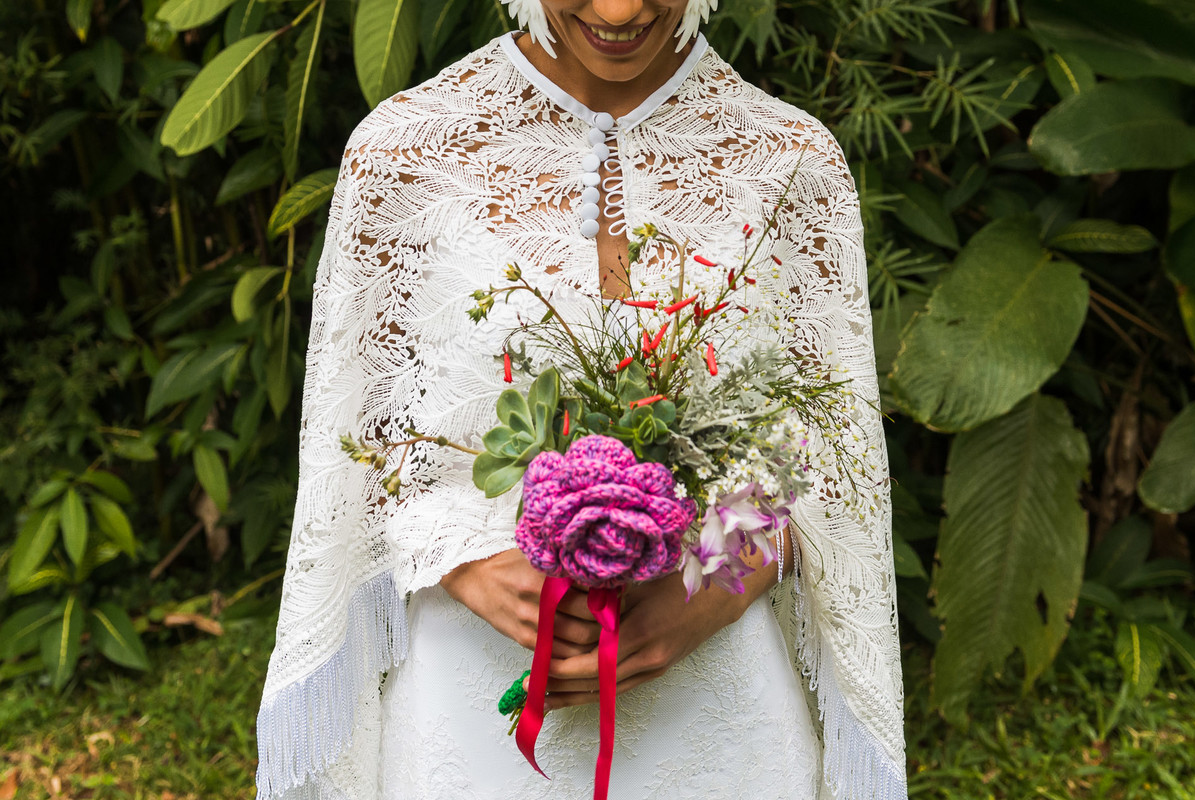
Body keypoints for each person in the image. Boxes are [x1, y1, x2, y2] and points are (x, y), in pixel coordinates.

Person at [254, 1, 908, 798]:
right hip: (472, 708)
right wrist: (459, 561)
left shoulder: (791, 161)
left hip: (718, 715)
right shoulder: (403, 153)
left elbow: (820, 465)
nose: (619, 10)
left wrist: (708, 589)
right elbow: (355, 447)